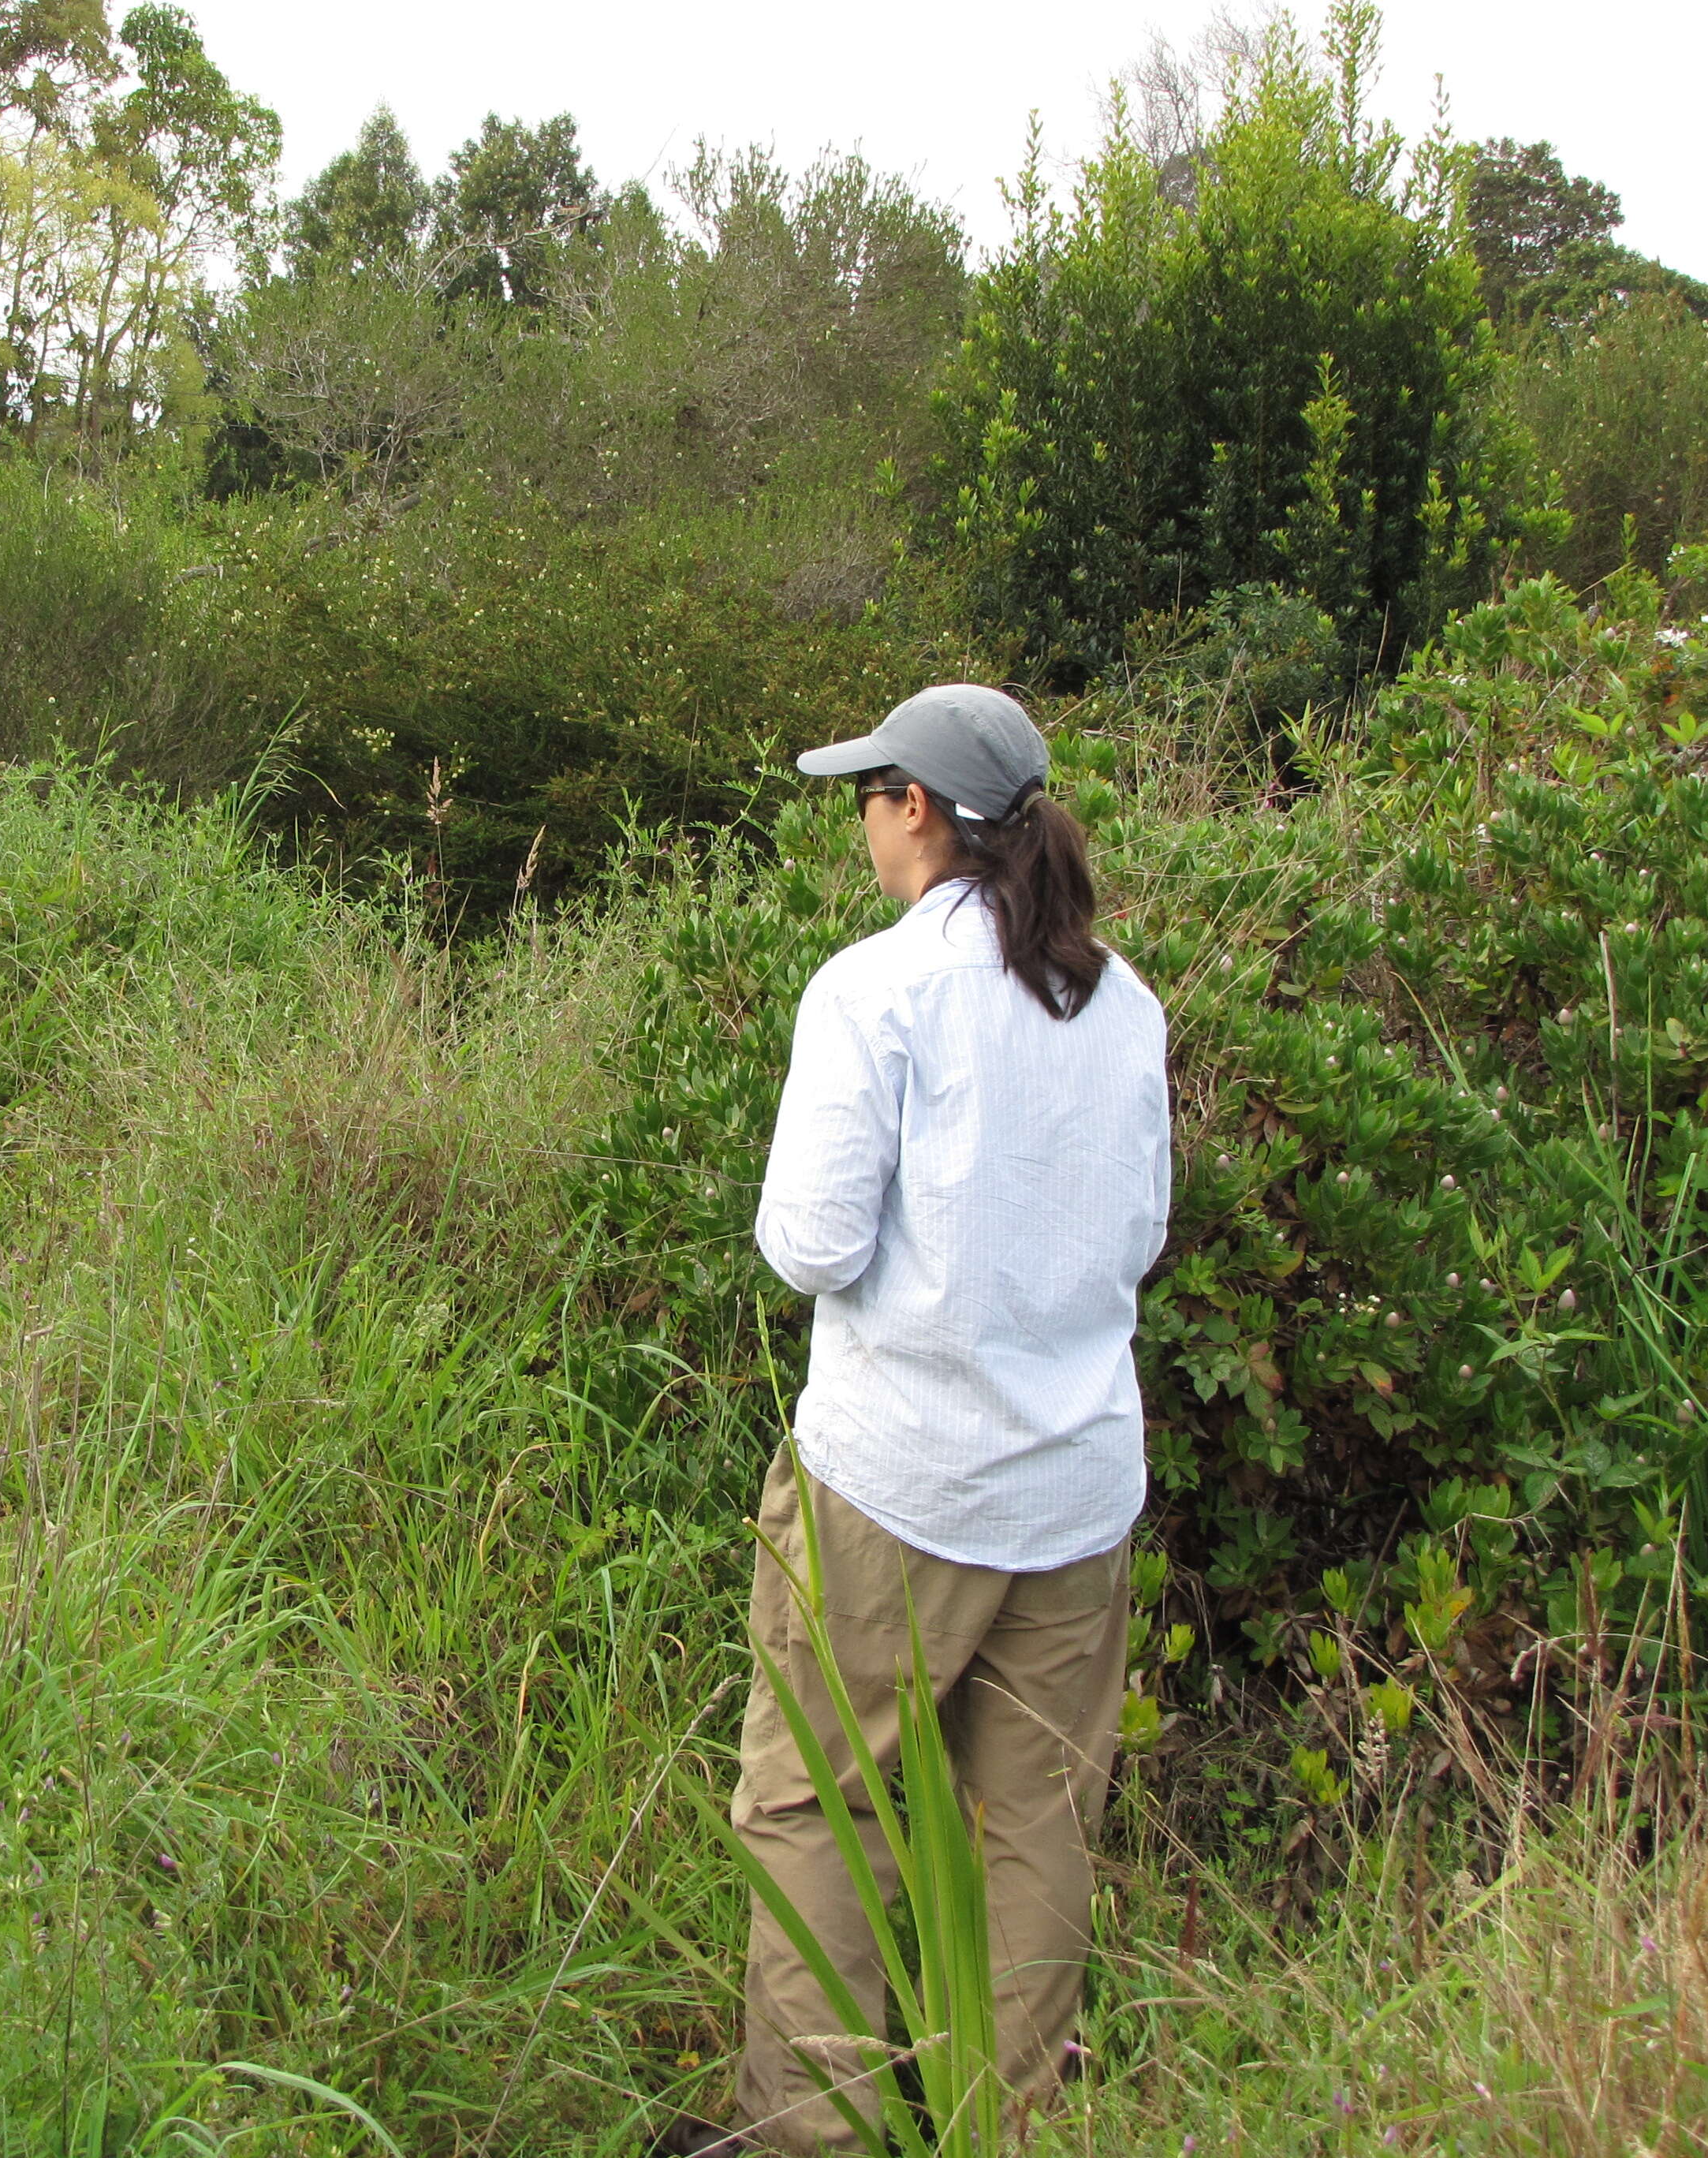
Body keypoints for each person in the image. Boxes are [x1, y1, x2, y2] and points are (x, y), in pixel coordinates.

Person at [659, 685, 1172, 2156]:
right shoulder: (1117, 1000)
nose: (863, 823)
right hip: (1075, 1496)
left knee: (816, 1806)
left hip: (896, 1488)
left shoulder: (874, 993)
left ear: (923, 812)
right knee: (1035, 1832)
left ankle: (807, 2136)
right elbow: (1134, 1234)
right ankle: (1001, 2132)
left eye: (869, 795)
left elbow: (811, 1247)